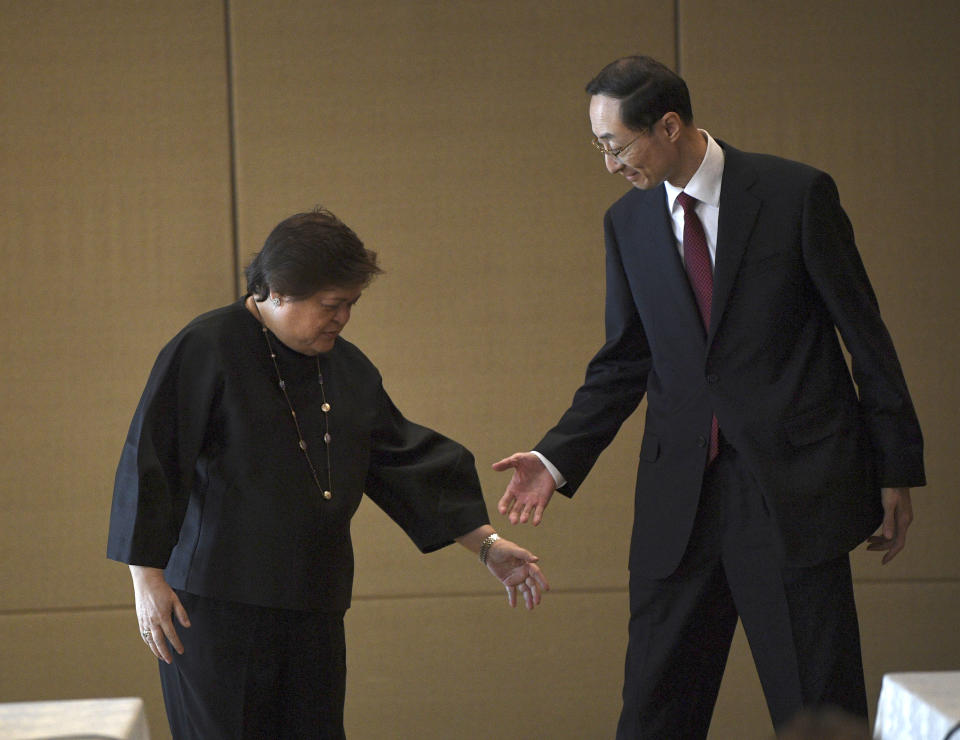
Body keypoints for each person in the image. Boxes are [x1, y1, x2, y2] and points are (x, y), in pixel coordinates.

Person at [493, 55, 924, 738]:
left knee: (818, 711)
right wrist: (553, 460)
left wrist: (895, 464)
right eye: (598, 145)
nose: (608, 164)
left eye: (616, 145)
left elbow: (863, 335)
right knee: (652, 716)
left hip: (791, 494)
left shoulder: (795, 195)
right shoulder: (626, 225)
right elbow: (622, 363)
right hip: (679, 504)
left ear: (668, 126)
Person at [107, 208, 549, 740]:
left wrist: (487, 545)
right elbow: (152, 458)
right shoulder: (207, 347)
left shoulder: (348, 367)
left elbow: (402, 461)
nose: (341, 319)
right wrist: (146, 577)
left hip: (313, 606)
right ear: (275, 291)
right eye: (330, 305)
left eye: (349, 305)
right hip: (214, 609)